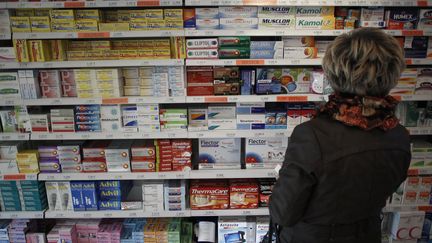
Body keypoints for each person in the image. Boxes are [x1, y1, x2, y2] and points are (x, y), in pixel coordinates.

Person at [269, 27, 411, 243]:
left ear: (333, 72)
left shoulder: (312, 135)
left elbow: (283, 213)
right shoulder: (399, 135)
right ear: (392, 74)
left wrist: (282, 180)